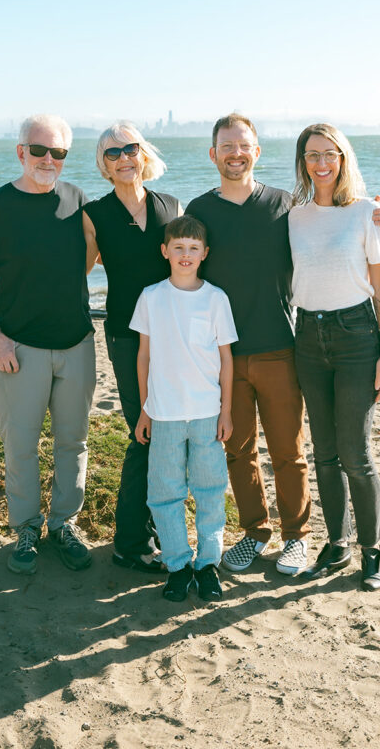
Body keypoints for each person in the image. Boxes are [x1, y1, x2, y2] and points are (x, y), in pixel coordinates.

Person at [186, 113, 380, 578]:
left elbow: (338, 233)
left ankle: (297, 537)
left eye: (244, 145)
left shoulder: (283, 207)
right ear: (213, 153)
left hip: (282, 345)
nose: (236, 153)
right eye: (227, 146)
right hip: (224, 354)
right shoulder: (199, 211)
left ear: (257, 152)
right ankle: (256, 532)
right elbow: (181, 266)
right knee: (238, 450)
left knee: (289, 452)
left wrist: (377, 216)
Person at [0, 114, 95, 576]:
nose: (48, 160)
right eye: (39, 150)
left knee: (73, 443)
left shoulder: (77, 198)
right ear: (21, 151)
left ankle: (64, 525)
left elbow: (87, 258)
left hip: (77, 344)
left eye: (58, 152)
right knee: (20, 446)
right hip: (19, 351)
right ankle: (26, 529)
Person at [289, 123, 380, 591]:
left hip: (356, 337)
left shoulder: (366, 214)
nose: (321, 163)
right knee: (324, 454)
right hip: (307, 337)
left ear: (343, 158)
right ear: (303, 161)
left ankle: (372, 552)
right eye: (312, 155)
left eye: (329, 154)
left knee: (355, 452)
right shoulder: (293, 215)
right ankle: (337, 544)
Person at [83, 122, 180, 573]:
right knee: (144, 431)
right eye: (112, 153)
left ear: (143, 153)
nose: (123, 158)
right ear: (103, 165)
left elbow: (194, 256)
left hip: (173, 333)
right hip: (126, 334)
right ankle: (129, 542)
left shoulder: (171, 205)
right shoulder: (94, 214)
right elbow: (73, 270)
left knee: (170, 432)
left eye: (130, 148)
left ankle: (157, 530)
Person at [131, 215, 238, 602]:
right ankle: (178, 566)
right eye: (178, 247)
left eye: (194, 248)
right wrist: (145, 409)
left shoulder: (216, 298)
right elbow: (143, 357)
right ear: (165, 251)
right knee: (164, 492)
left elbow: (227, 359)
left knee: (210, 490)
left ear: (205, 253)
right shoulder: (151, 296)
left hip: (208, 412)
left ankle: (208, 564)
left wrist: (226, 410)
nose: (186, 254)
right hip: (164, 414)